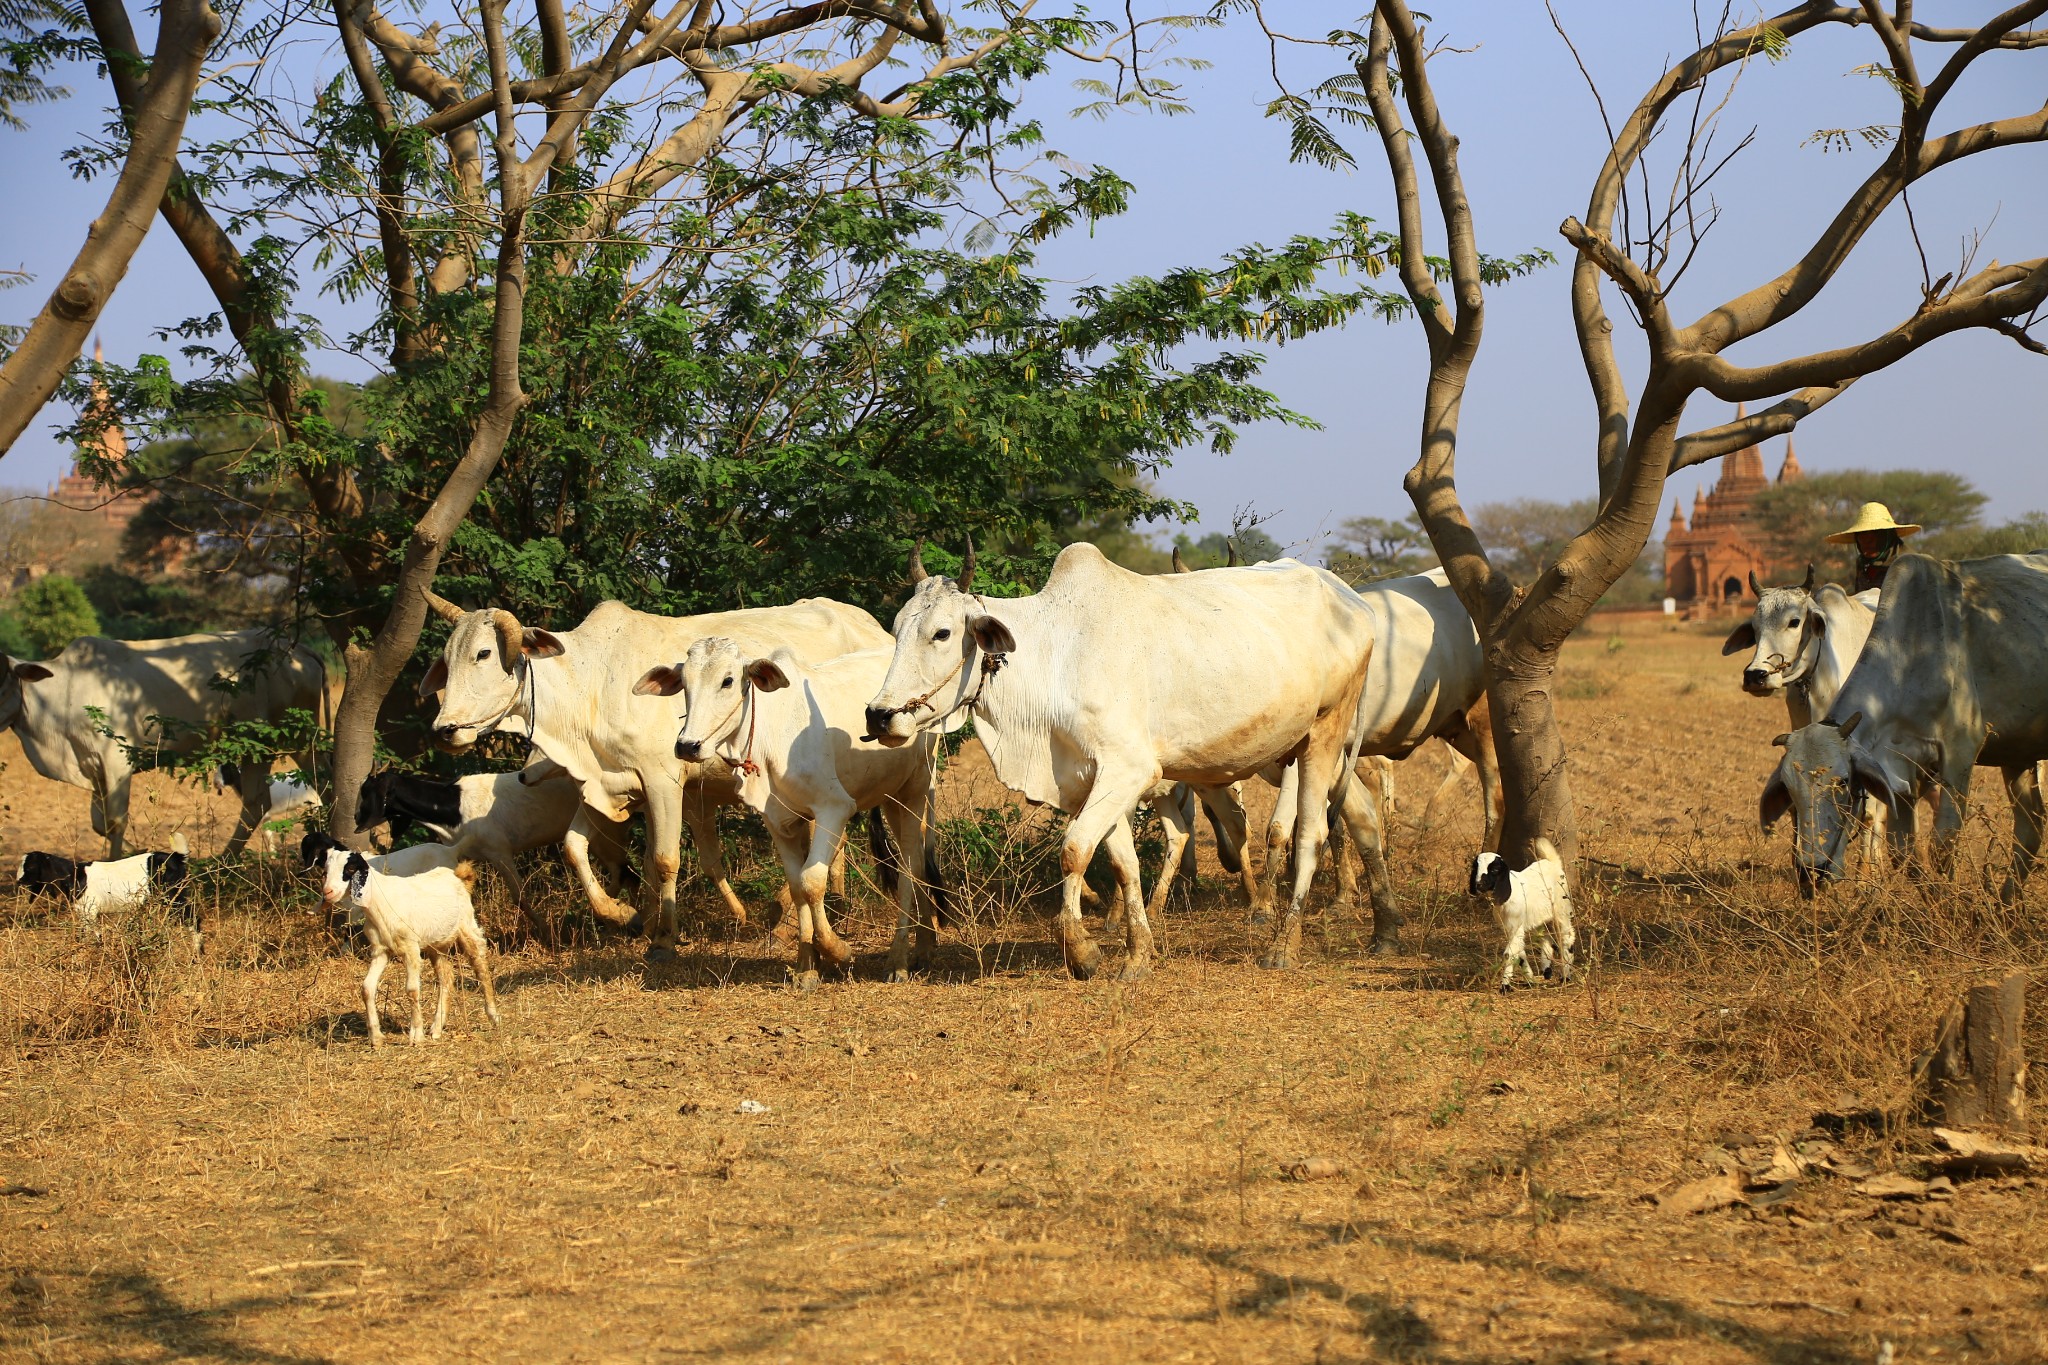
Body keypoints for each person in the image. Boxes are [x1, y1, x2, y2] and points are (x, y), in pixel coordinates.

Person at [1824, 502, 1920, 593]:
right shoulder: (1863, 565)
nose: (1866, 542)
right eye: (1862, 536)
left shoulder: (1911, 565)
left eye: (1875, 535)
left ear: (1888, 536)